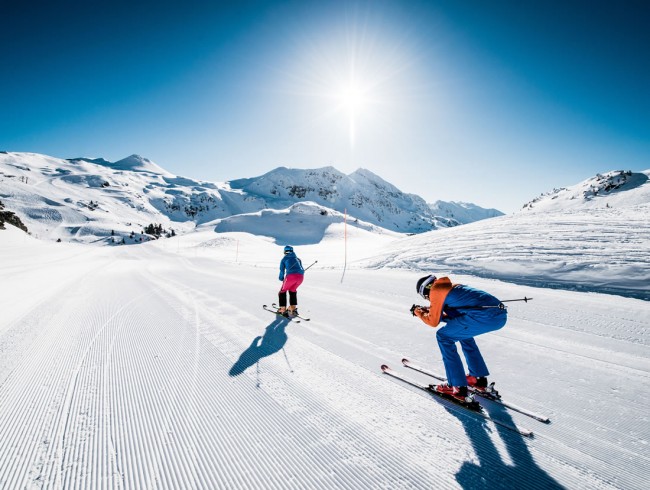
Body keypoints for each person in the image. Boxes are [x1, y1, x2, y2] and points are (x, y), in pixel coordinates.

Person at [412, 274, 507, 402]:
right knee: (462, 333)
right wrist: (433, 311)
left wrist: (418, 312)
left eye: (425, 297)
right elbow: (455, 315)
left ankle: (456, 386)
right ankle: (477, 378)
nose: (428, 299)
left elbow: (432, 321)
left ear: (426, 290)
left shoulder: (436, 291)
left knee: (443, 336)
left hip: (483, 317)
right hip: (498, 317)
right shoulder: (450, 287)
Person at [277, 245, 304, 317]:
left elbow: (282, 270)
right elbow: (302, 269)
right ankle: (293, 308)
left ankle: (282, 309)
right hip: (300, 277)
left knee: (282, 291)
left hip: (290, 277)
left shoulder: (284, 259)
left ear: (285, 252)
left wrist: (281, 278)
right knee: (292, 290)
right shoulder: (298, 259)